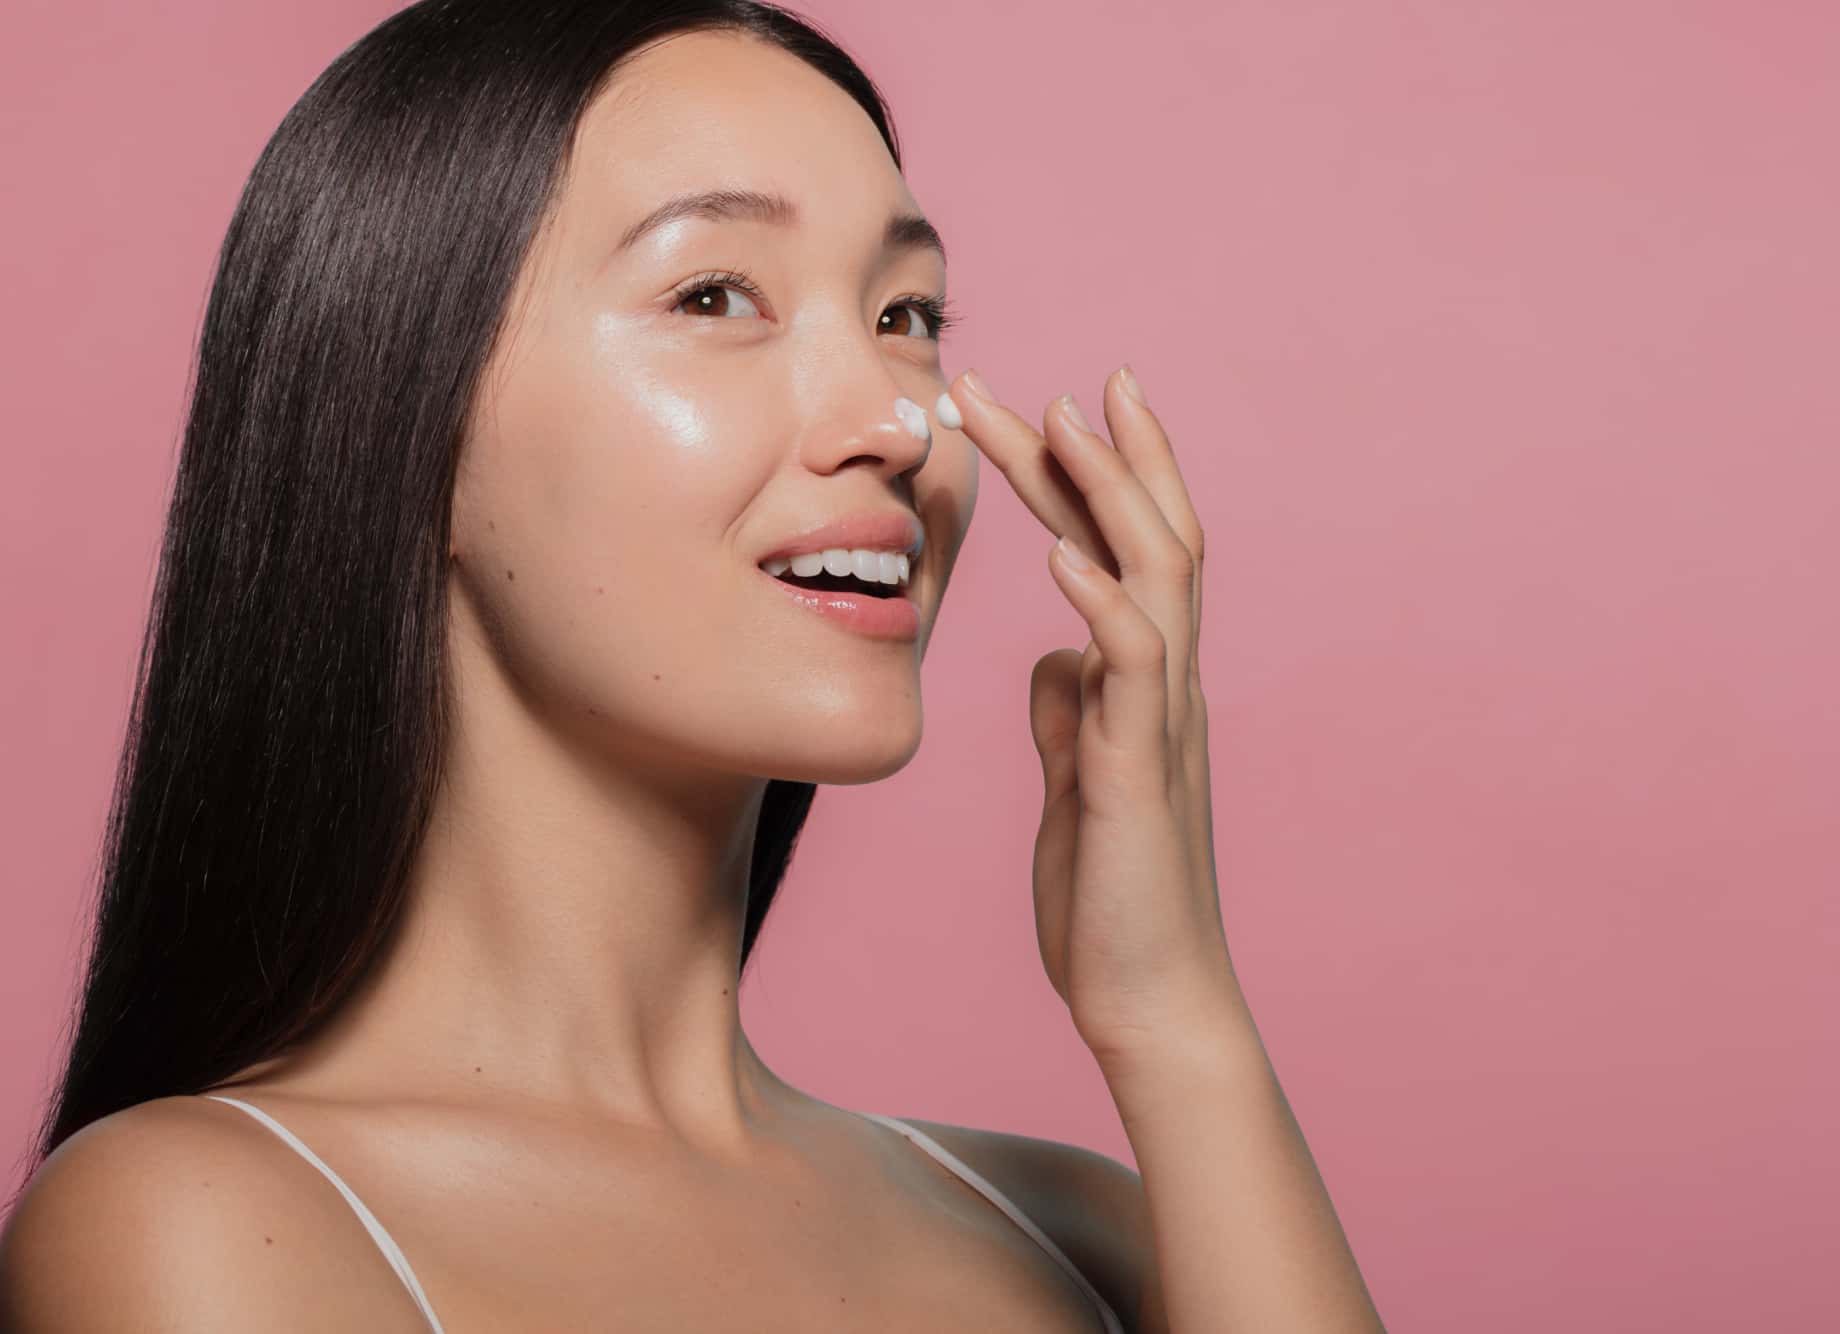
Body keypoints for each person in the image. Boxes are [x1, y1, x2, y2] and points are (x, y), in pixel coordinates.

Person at [2, 3, 1385, 1331]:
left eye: (907, 315)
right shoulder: (198, 1224)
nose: (896, 422)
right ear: (401, 420)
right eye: (717, 293)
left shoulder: (1089, 1234)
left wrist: (1177, 1017)